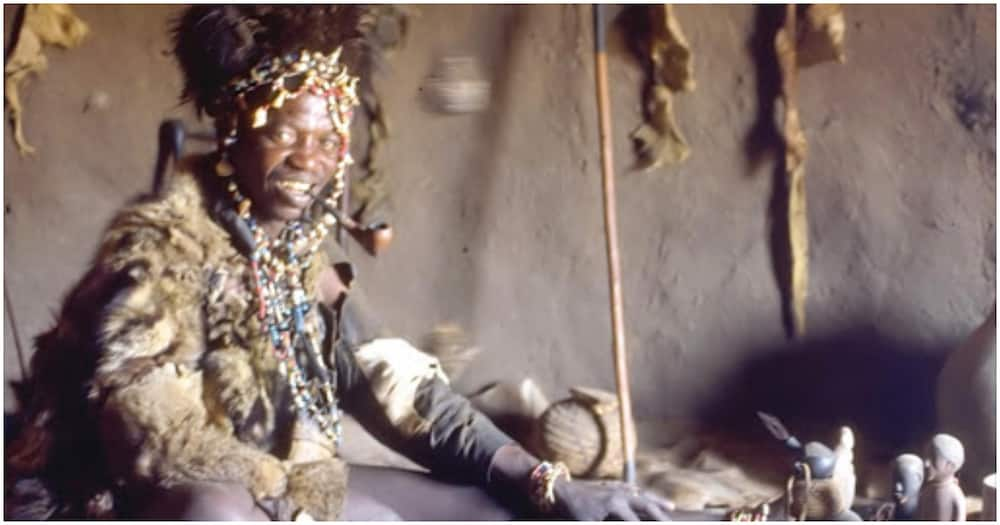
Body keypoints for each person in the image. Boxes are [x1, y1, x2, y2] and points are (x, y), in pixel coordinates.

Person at [5, 6, 674, 521]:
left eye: (327, 139)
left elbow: (395, 387)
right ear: (235, 135)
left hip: (272, 484)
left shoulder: (299, 256)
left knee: (498, 508)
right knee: (221, 514)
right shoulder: (161, 253)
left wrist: (540, 477)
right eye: (284, 133)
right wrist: (294, 492)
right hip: (129, 496)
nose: (309, 158)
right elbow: (154, 446)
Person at [916, 433, 967, 521]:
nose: (926, 463)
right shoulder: (926, 492)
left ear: (950, 466)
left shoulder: (955, 495)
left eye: (933, 458)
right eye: (926, 456)